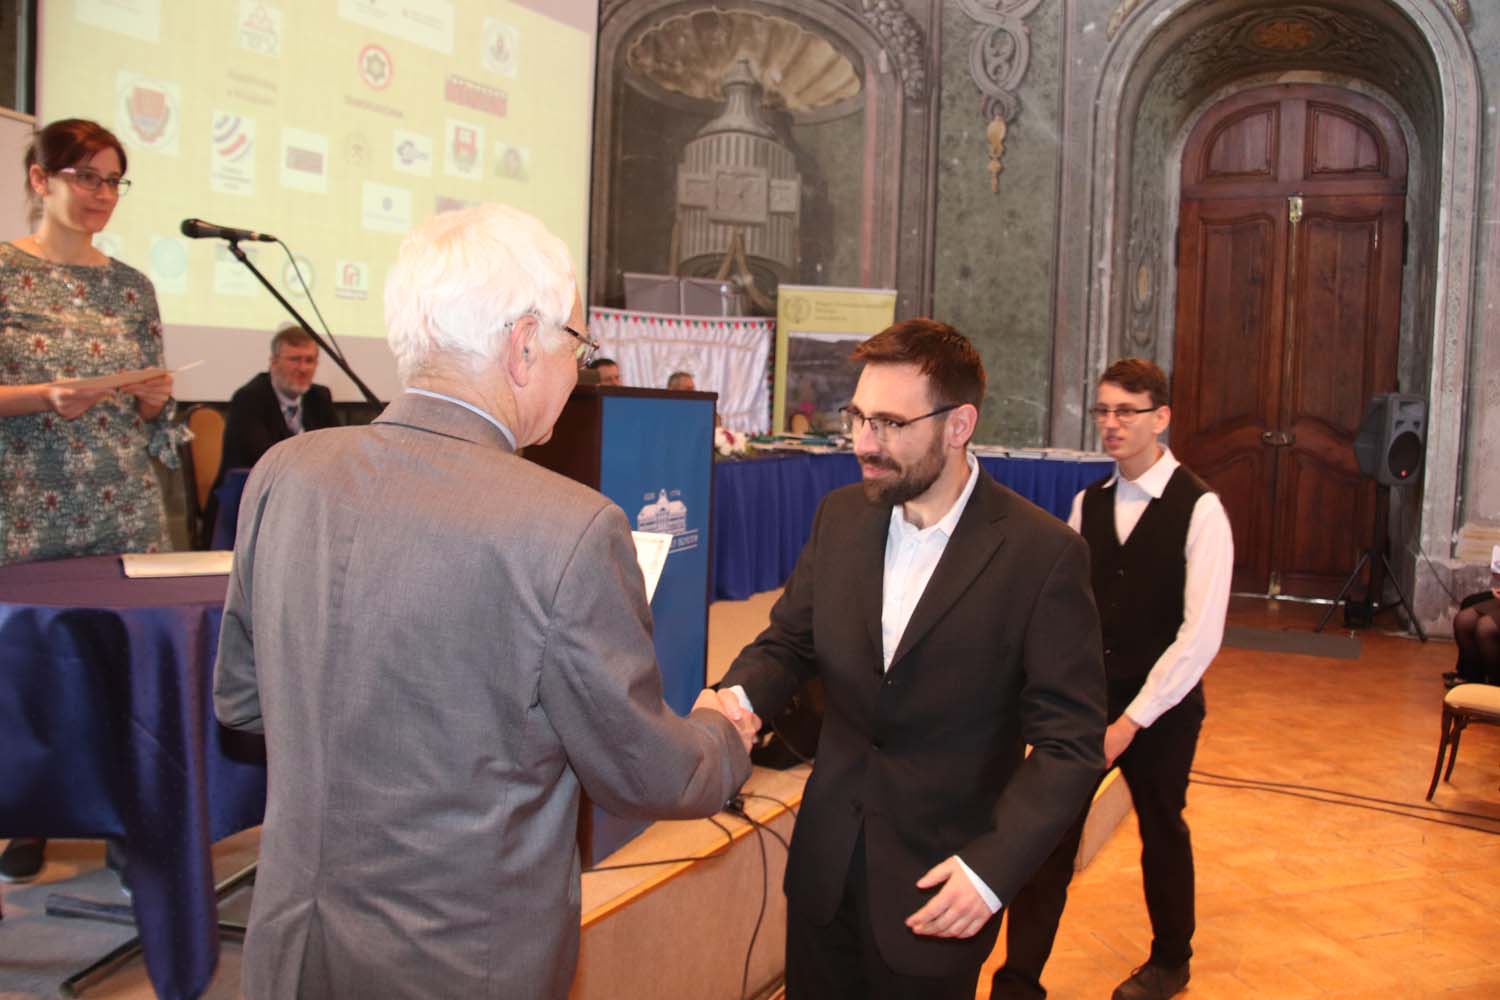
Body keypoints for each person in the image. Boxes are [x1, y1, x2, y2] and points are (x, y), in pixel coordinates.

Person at [213, 203, 756, 999]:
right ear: (524, 343)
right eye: (578, 345)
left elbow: (241, 700)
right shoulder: (568, 528)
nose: (578, 370)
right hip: (461, 962)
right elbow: (648, 774)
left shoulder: (283, 474)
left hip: (290, 945)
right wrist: (722, 734)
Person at [716, 318, 1107, 999]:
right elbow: (789, 642)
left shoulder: (1042, 555)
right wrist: (736, 698)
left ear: (959, 425)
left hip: (942, 890)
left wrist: (991, 872)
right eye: (858, 418)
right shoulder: (840, 517)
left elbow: (1069, 745)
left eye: (891, 424)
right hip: (824, 873)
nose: (864, 443)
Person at [992, 358, 1233, 1000]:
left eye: (1126, 411)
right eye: (1103, 410)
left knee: (1162, 829)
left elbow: (1199, 637)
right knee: (1048, 836)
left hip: (1163, 709)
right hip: (1087, 704)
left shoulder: (1201, 510)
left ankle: (1170, 962)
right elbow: (1065, 611)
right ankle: (1018, 982)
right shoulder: (1088, 503)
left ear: (1162, 417)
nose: (1111, 424)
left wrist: (1130, 723)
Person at [0, 118, 181, 885]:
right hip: (28, 511)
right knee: (34, 672)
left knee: (121, 673)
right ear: (40, 179)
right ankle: (29, 814)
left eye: (113, 180)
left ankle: (126, 818)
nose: (102, 193)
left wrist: (153, 401)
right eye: (86, 176)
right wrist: (45, 396)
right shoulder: (6, 272)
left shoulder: (133, 287)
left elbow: (157, 421)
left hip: (124, 512)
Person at [218, 323, 339, 477]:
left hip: (306, 485)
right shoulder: (249, 399)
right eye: (294, 359)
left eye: (309, 360)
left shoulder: (319, 397)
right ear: (273, 362)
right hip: (253, 487)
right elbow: (265, 459)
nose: (303, 369)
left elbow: (337, 451)